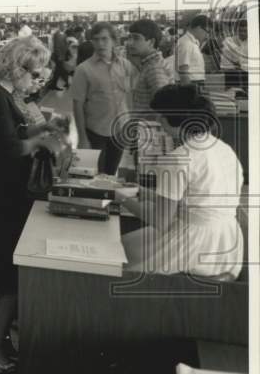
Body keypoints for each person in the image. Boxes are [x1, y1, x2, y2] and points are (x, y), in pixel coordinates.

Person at [0, 37, 60, 374]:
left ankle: (0, 340)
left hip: (5, 191)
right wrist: (41, 141)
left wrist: (40, 127)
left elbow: (13, 131)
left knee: (2, 272)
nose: (36, 80)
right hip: (3, 194)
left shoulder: (4, 95)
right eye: (34, 73)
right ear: (18, 67)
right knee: (9, 275)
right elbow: (9, 147)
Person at [119, 85, 244, 281]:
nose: (158, 121)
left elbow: (161, 221)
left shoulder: (178, 158)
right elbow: (199, 200)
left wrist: (121, 198)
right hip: (226, 243)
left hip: (194, 246)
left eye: (161, 115)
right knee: (129, 245)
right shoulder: (223, 148)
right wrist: (144, 192)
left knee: (121, 255)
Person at [71, 22, 134, 175]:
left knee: (112, 173)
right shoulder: (83, 69)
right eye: (96, 39)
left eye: (105, 39)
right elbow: (77, 105)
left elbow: (129, 96)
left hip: (119, 130)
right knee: (96, 174)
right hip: (95, 131)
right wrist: (82, 138)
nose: (100, 43)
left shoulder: (125, 65)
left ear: (113, 40)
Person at [125, 19, 173, 117]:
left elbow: (163, 106)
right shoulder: (149, 64)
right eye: (129, 38)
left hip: (149, 128)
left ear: (151, 42)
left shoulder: (154, 68)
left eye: (136, 38)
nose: (130, 43)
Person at [175, 14, 210, 87]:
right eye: (207, 31)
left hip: (195, 83)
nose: (207, 35)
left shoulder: (193, 43)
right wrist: (189, 91)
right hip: (191, 84)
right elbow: (183, 70)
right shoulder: (186, 43)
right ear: (199, 28)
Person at [219, 18, 248, 90]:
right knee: (230, 96)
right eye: (240, 31)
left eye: (245, 31)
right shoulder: (229, 41)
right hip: (231, 74)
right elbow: (228, 60)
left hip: (248, 74)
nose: (242, 33)